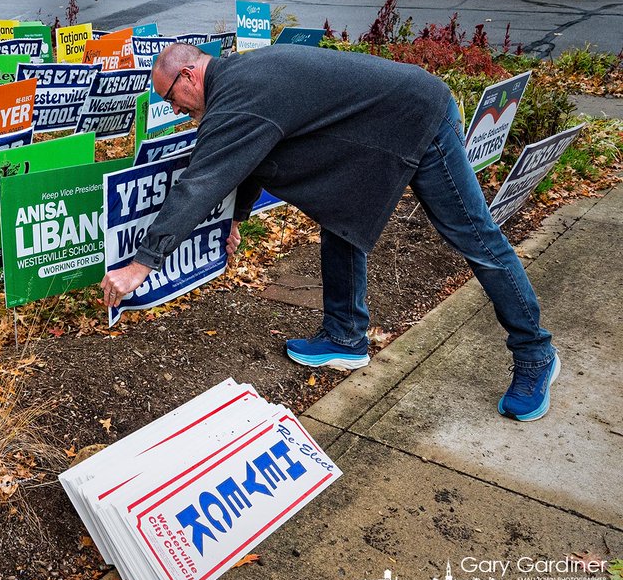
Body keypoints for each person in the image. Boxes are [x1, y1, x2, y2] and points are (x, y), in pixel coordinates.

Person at [100, 42, 558, 422]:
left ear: (188, 74)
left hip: (419, 116)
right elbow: (253, 157)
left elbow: (200, 184)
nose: (175, 110)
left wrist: (142, 265)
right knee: (339, 208)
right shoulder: (238, 82)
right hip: (374, 134)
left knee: (474, 237)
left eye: (169, 98)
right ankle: (344, 337)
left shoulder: (238, 95)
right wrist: (236, 218)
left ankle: (535, 353)